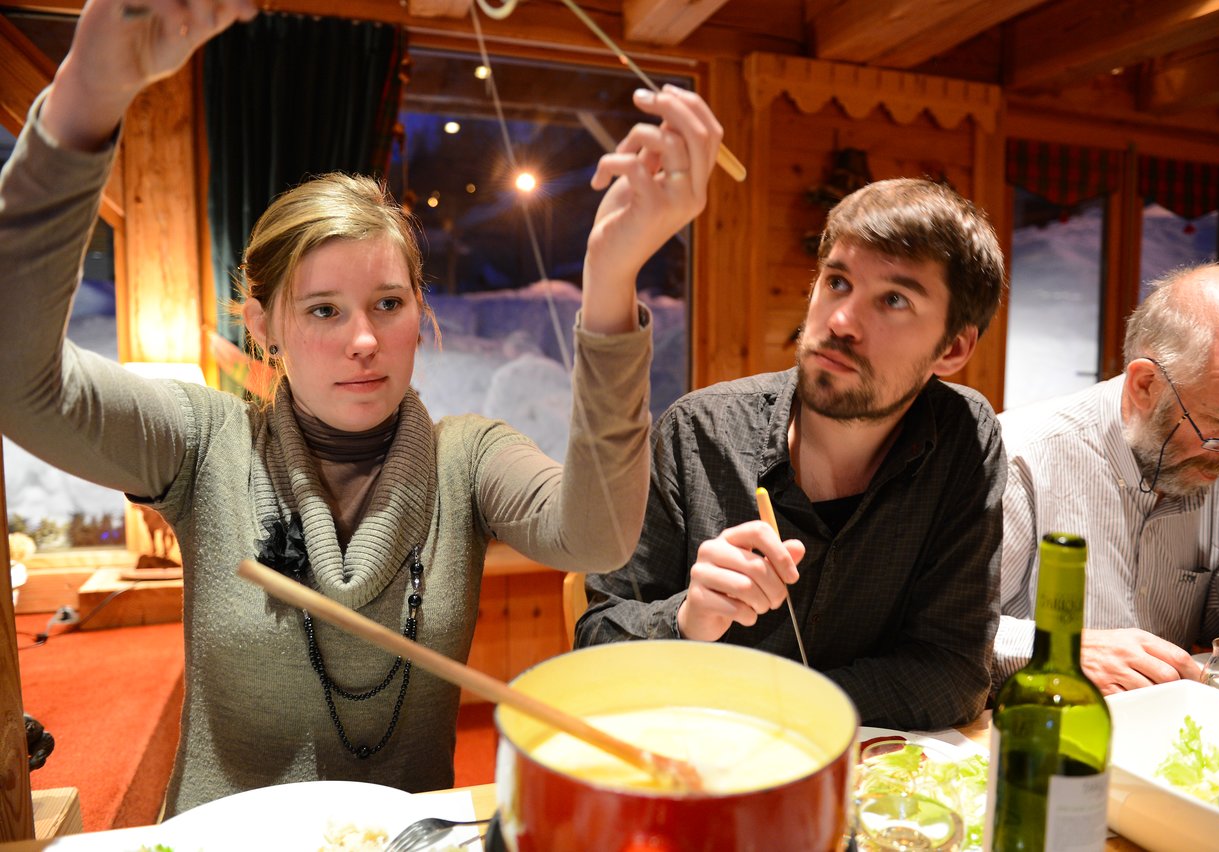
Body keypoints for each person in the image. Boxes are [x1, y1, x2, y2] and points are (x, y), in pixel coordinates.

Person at [0, 0, 723, 814]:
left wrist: (611, 281)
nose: (363, 340)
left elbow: (595, 535)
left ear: (422, 311)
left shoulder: (468, 456)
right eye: (321, 311)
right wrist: (82, 103)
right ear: (264, 326)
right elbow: (19, 383)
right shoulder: (203, 443)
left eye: (387, 303)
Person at [575, 178, 1007, 731]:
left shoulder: (965, 438)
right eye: (837, 281)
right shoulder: (699, 432)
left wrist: (770, 705)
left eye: (894, 299)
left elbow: (952, 672)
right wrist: (686, 619)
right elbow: (595, 641)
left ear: (952, 348)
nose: (841, 321)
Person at [994, 263, 1219, 694]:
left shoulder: (1211, 454)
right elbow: (940, 632)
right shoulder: (1019, 455)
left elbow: (1180, 612)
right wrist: (1062, 649)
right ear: (1145, 385)